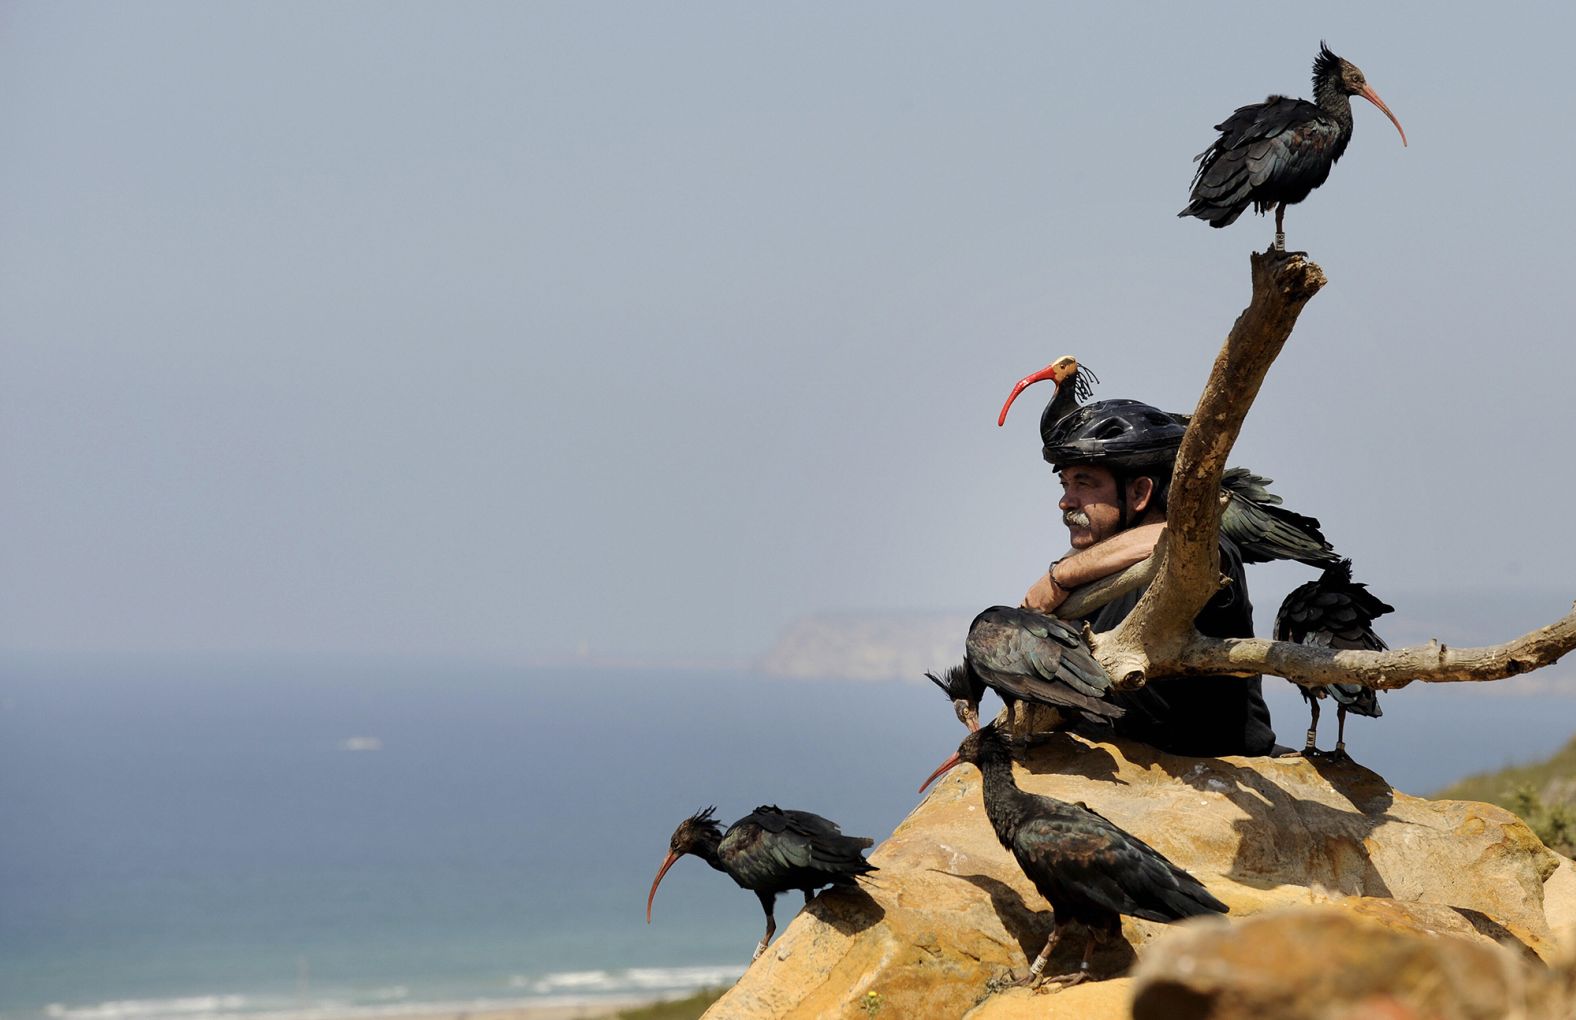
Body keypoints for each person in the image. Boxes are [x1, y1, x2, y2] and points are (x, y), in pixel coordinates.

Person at [1020, 399, 1276, 757]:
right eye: (1065, 484)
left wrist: (1059, 577)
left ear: (1139, 493)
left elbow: (1179, 537)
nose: (1066, 501)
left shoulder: (1203, 552)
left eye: (1084, 483)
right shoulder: (1097, 568)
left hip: (1212, 772)